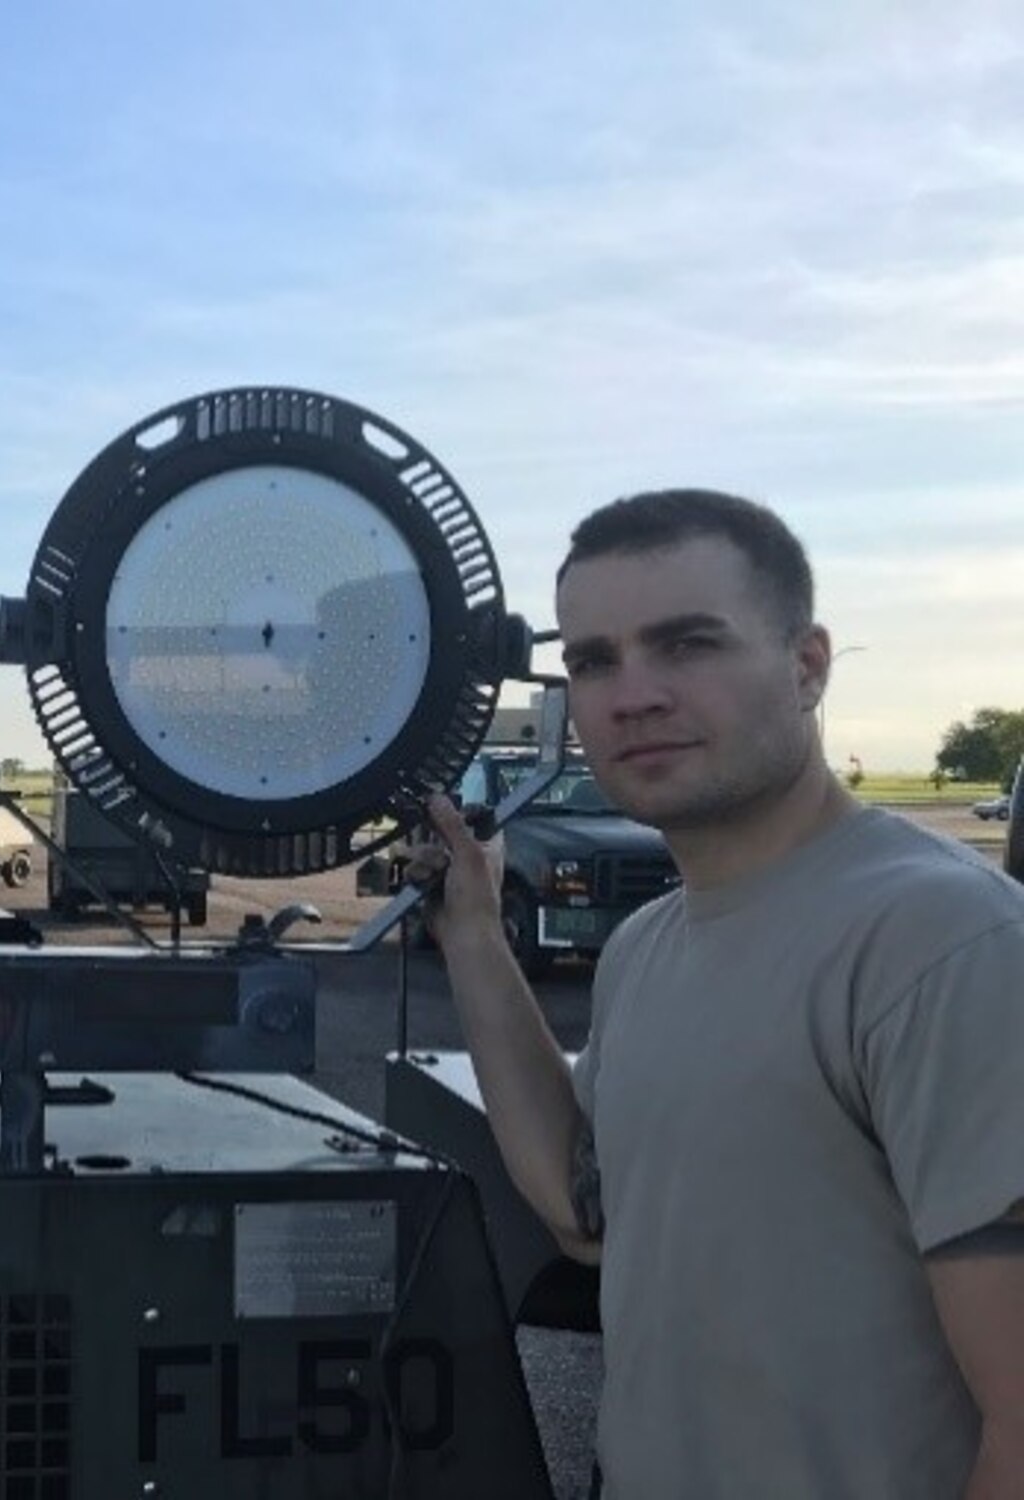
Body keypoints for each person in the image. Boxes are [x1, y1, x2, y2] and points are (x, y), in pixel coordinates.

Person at [414, 489, 1024, 1498]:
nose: (631, 695)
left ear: (806, 665)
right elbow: (586, 1217)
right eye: (591, 659)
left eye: (686, 644)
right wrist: (475, 933)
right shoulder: (648, 944)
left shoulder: (940, 942)